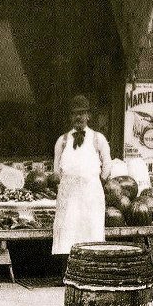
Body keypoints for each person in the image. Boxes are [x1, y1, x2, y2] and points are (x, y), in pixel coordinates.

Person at [52, 94, 112, 256]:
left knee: (91, 235)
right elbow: (56, 170)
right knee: (67, 236)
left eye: (82, 113)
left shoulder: (98, 139)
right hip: (68, 198)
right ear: (70, 117)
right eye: (74, 113)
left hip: (91, 197)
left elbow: (107, 165)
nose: (78, 117)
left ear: (88, 116)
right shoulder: (62, 141)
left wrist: (96, 182)